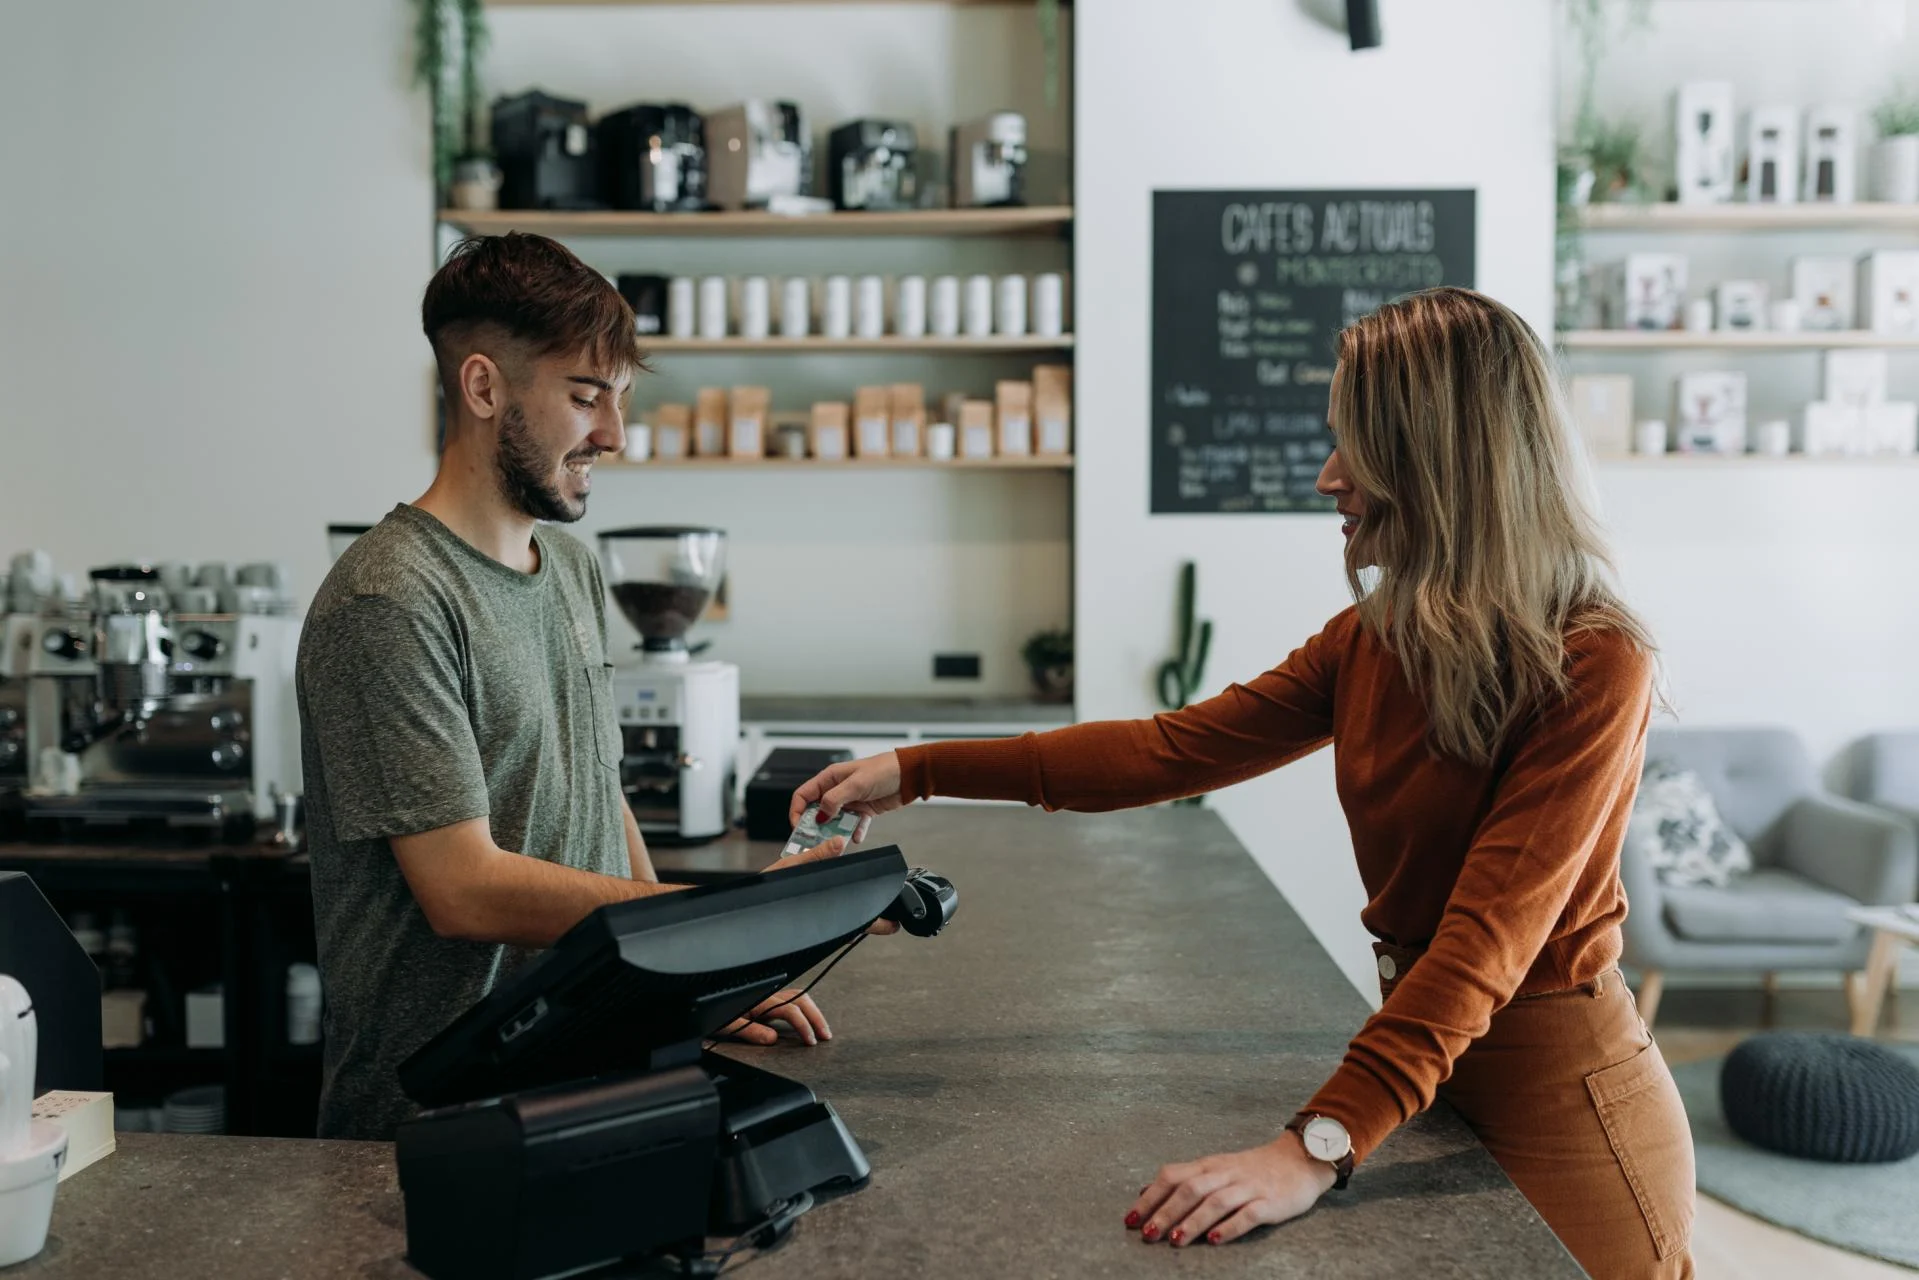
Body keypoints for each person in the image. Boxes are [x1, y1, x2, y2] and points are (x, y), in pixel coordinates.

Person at [790, 287, 1696, 1277]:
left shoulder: (1593, 661)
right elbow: (1165, 750)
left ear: (1439, 459)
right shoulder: (1371, 640)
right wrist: (918, 769)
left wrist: (1312, 1144)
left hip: (1565, 1103)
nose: (1326, 476)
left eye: (1354, 445)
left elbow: (1485, 940)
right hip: (1427, 1076)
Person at [298, 233, 842, 1141]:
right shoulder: (388, 598)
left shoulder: (573, 570)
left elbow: (602, 796)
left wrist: (688, 983)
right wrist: (714, 922)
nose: (614, 436)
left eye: (621, 399)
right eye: (585, 397)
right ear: (483, 389)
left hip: (590, 1075)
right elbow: (464, 890)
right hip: (438, 1123)